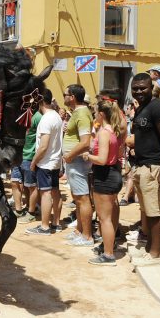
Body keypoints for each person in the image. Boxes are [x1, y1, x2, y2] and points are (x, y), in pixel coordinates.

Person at [129, 73, 160, 267]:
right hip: (141, 166)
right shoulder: (142, 109)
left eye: (143, 88)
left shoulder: (157, 107)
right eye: (135, 88)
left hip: (154, 167)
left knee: (156, 212)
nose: (139, 91)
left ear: (150, 87)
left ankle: (156, 254)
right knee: (147, 210)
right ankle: (150, 248)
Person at [82, 98, 123, 265]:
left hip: (105, 176)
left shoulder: (104, 133)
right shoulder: (112, 131)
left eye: (95, 112)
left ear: (101, 114)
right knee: (109, 216)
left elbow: (102, 159)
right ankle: (108, 247)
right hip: (112, 175)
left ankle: (108, 254)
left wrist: (87, 156)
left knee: (104, 218)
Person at [27, 89, 63, 235]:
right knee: (55, 192)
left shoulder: (46, 119)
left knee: (46, 193)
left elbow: (43, 146)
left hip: (46, 161)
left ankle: (45, 226)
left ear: (40, 101)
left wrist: (34, 161)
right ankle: (56, 223)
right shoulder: (56, 116)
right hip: (55, 161)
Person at [62, 84, 94, 246]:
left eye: (65, 94)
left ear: (72, 96)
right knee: (78, 198)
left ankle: (87, 236)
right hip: (74, 161)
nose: (64, 97)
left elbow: (85, 142)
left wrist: (69, 155)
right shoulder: (78, 112)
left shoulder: (81, 113)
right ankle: (80, 230)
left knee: (82, 198)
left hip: (76, 161)